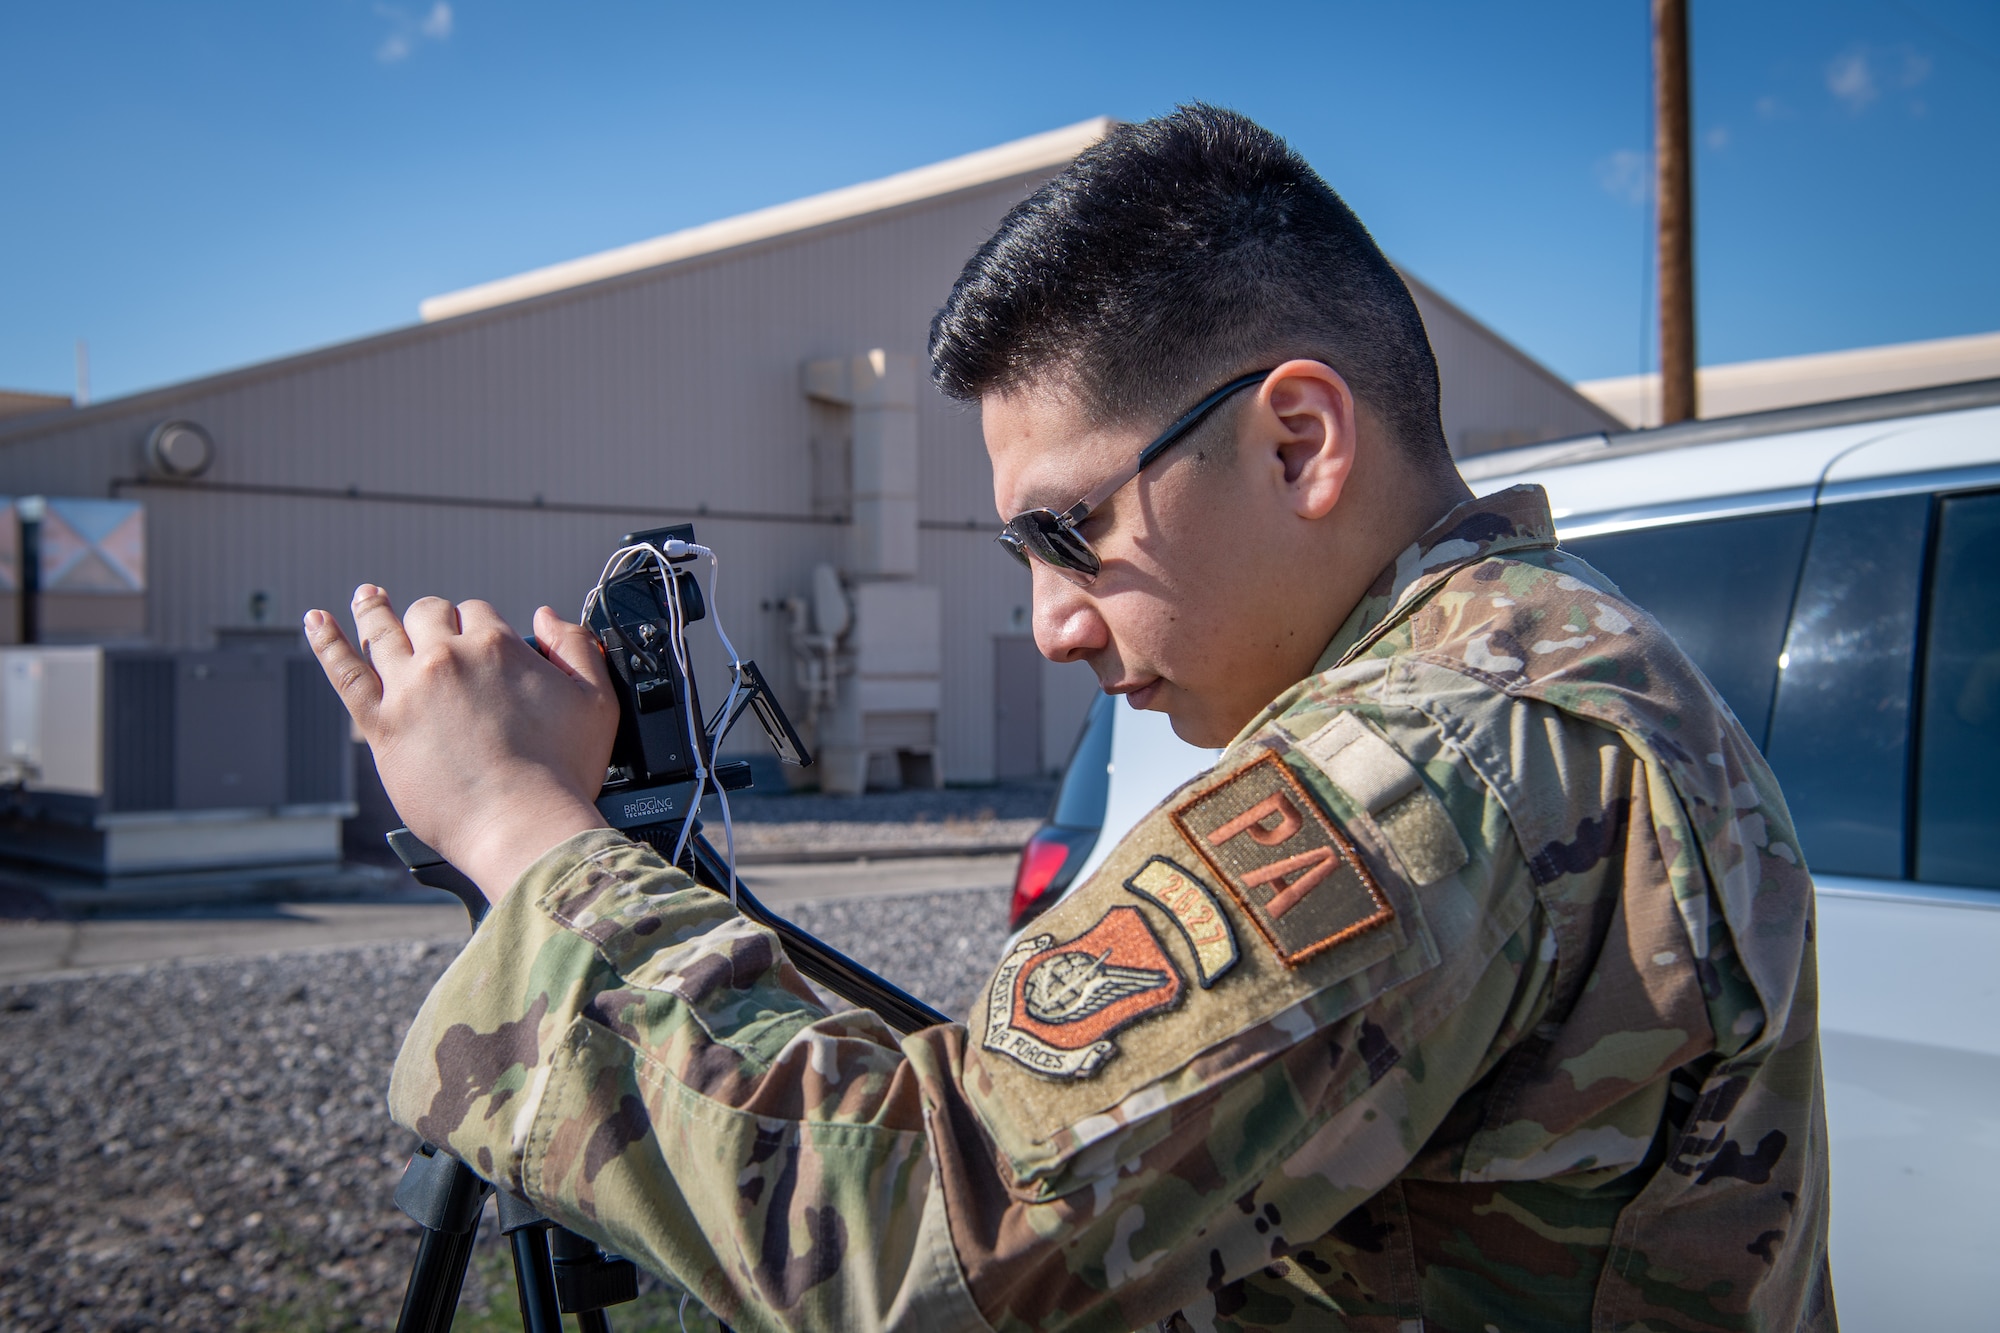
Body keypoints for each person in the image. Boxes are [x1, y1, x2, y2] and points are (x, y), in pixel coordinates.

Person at [305, 106, 1834, 1332]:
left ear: (1297, 440)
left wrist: (514, 821)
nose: (1050, 620)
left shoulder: (1430, 763)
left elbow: (925, 1234)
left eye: (1071, 532)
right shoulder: (1565, 662)